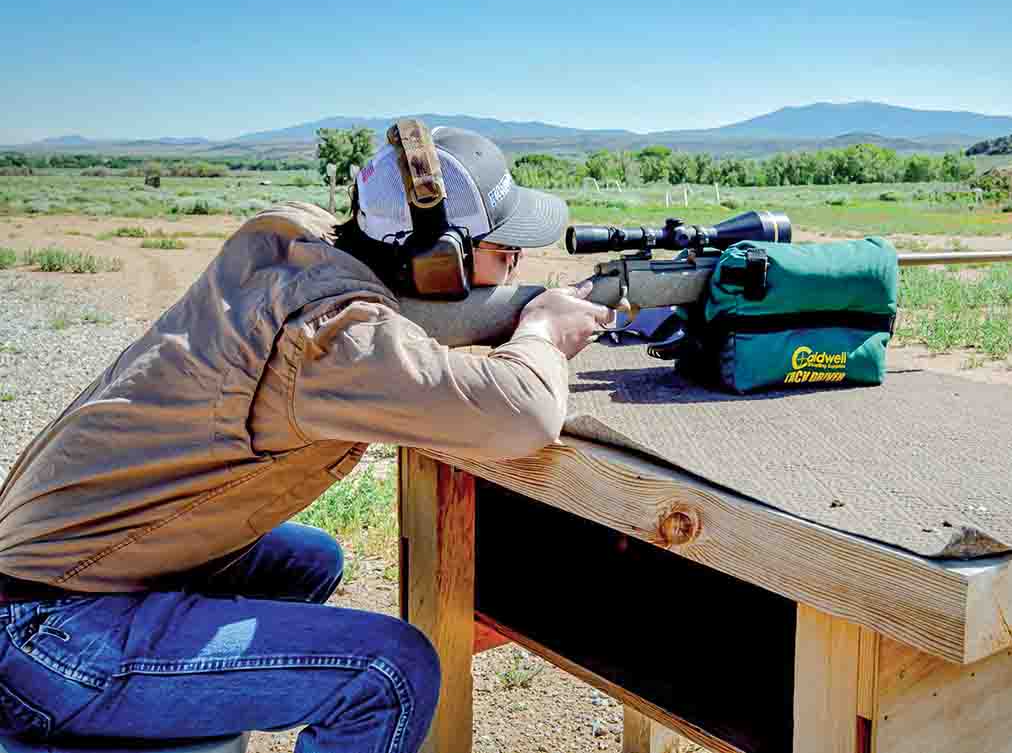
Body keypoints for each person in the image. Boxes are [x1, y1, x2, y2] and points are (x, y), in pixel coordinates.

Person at [0, 125, 613, 752]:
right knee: (390, 672)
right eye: (504, 254)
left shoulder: (289, 246)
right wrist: (539, 331)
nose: (516, 269)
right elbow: (522, 414)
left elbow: (396, 327)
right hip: (46, 634)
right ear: (440, 261)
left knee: (307, 560)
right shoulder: (330, 338)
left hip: (52, 575)